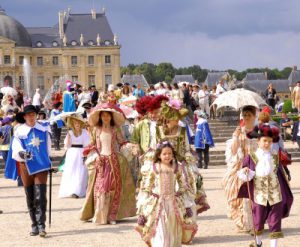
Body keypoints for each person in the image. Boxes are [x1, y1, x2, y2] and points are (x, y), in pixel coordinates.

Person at [237, 124, 293, 247]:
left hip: (275, 193)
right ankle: (258, 242)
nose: (267, 144)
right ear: (258, 141)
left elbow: (280, 173)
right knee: (258, 220)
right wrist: (246, 171)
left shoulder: (275, 156)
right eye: (264, 141)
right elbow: (245, 172)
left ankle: (274, 245)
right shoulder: (251, 156)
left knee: (275, 220)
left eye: (269, 141)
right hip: (259, 194)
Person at [80, 103, 136, 224]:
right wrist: (95, 156)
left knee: (114, 187)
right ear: (100, 117)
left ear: (111, 117)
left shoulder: (115, 129)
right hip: (101, 161)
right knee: (101, 188)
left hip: (114, 161)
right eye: (103, 115)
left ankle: (112, 216)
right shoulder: (96, 130)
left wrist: (130, 146)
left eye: (108, 115)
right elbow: (92, 146)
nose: (106, 117)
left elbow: (122, 143)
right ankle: (100, 215)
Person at [136, 141, 198, 246]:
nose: (167, 156)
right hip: (158, 203)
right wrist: (148, 196)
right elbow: (148, 185)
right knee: (160, 226)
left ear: (173, 155)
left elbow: (183, 184)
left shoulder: (176, 167)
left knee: (173, 226)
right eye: (164, 154)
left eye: (169, 153)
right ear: (159, 155)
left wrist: (179, 193)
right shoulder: (154, 167)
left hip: (173, 203)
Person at [5, 105, 51, 237]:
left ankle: (41, 224)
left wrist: (49, 162)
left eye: (33, 114)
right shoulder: (19, 132)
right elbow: (16, 148)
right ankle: (34, 224)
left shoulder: (44, 129)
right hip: (26, 165)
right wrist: (22, 153)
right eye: (28, 115)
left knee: (40, 196)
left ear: (36, 115)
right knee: (30, 195)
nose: (31, 117)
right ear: (24, 117)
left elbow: (47, 148)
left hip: (41, 165)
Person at [222, 105, 258, 233]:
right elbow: (233, 151)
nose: (246, 117)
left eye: (249, 115)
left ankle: (256, 222)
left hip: (257, 165)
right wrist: (236, 137)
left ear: (254, 116)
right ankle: (245, 223)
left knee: (257, 196)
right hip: (242, 166)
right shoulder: (239, 131)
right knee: (240, 195)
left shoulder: (259, 131)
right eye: (245, 115)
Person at [58, 114, 89, 198]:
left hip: (81, 153)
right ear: (73, 124)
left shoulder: (85, 132)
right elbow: (67, 146)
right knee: (71, 171)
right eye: (75, 123)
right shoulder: (70, 133)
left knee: (81, 172)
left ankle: (78, 191)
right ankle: (71, 190)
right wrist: (68, 138)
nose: (77, 125)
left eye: (78, 123)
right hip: (71, 153)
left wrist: (86, 154)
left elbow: (86, 144)